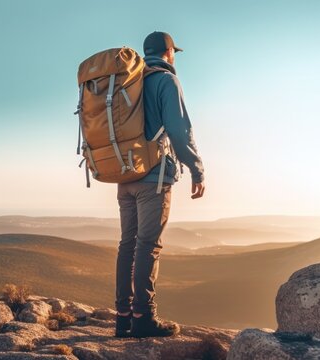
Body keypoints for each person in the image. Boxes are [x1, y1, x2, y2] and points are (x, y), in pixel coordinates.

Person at [115, 31, 206, 338]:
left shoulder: (128, 81)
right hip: (154, 178)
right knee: (147, 245)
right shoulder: (166, 81)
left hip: (124, 175)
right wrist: (197, 170)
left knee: (127, 243)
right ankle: (143, 317)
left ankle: (123, 317)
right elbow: (180, 132)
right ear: (169, 52)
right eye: (174, 52)